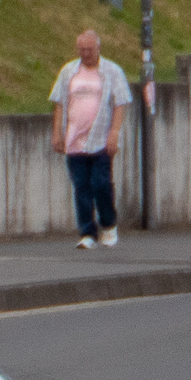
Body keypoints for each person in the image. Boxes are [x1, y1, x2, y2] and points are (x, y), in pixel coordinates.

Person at [49, 29, 132, 249]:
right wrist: (57, 133)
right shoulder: (69, 71)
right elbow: (59, 102)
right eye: (82, 49)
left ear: (98, 48)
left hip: (100, 140)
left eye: (90, 49)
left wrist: (114, 133)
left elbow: (120, 103)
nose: (86, 53)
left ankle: (108, 224)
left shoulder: (112, 71)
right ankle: (87, 232)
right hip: (75, 140)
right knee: (81, 187)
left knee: (101, 183)